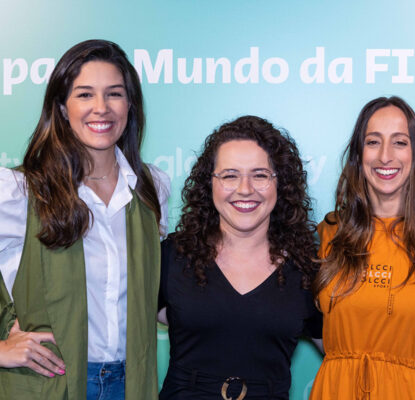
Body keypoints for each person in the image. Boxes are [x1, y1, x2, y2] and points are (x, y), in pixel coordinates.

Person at [0, 39, 170, 400]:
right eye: (84, 95)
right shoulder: (18, 191)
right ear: (61, 107)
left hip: (132, 385)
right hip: (48, 386)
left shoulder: (151, 188)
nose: (101, 108)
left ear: (130, 105)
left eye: (114, 94)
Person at [310, 96, 415, 399]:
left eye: (399, 142)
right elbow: (315, 324)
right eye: (373, 142)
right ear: (358, 154)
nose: (385, 156)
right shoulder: (329, 235)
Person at [158, 115, 322, 399]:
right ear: (209, 184)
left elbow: (349, 350)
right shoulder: (173, 256)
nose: (245, 189)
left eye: (260, 175)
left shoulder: (307, 268)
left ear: (280, 184)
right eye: (230, 175)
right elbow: (112, 318)